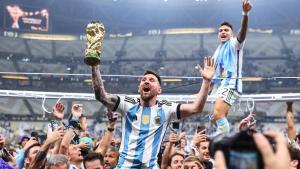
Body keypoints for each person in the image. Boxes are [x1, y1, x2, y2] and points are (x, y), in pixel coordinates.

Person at [91, 56, 215, 168]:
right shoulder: (127, 103)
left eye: (151, 80)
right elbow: (101, 96)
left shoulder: (166, 108)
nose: (146, 81)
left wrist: (206, 81)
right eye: (144, 80)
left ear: (159, 90)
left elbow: (196, 108)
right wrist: (94, 66)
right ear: (139, 87)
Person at [210, 0, 253, 134]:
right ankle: (222, 142)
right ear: (218, 34)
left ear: (231, 34)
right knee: (214, 118)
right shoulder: (217, 51)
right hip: (221, 86)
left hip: (231, 85)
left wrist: (245, 14)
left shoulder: (234, 44)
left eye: (226, 30)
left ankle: (221, 143)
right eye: (220, 30)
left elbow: (242, 33)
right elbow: (214, 76)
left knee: (218, 114)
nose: (223, 32)